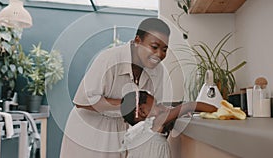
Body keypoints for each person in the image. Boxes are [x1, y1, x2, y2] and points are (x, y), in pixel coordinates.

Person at [60, 17, 172, 158]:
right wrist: (130, 104)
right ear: (138, 41)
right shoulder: (110, 58)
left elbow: (155, 107)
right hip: (90, 129)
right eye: (154, 47)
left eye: (164, 49)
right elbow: (83, 100)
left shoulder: (158, 70)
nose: (160, 54)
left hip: (121, 131)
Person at [120, 90, 217, 158]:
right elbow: (189, 106)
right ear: (142, 111)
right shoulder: (155, 122)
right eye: (157, 105)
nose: (162, 106)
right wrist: (219, 111)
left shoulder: (136, 136)